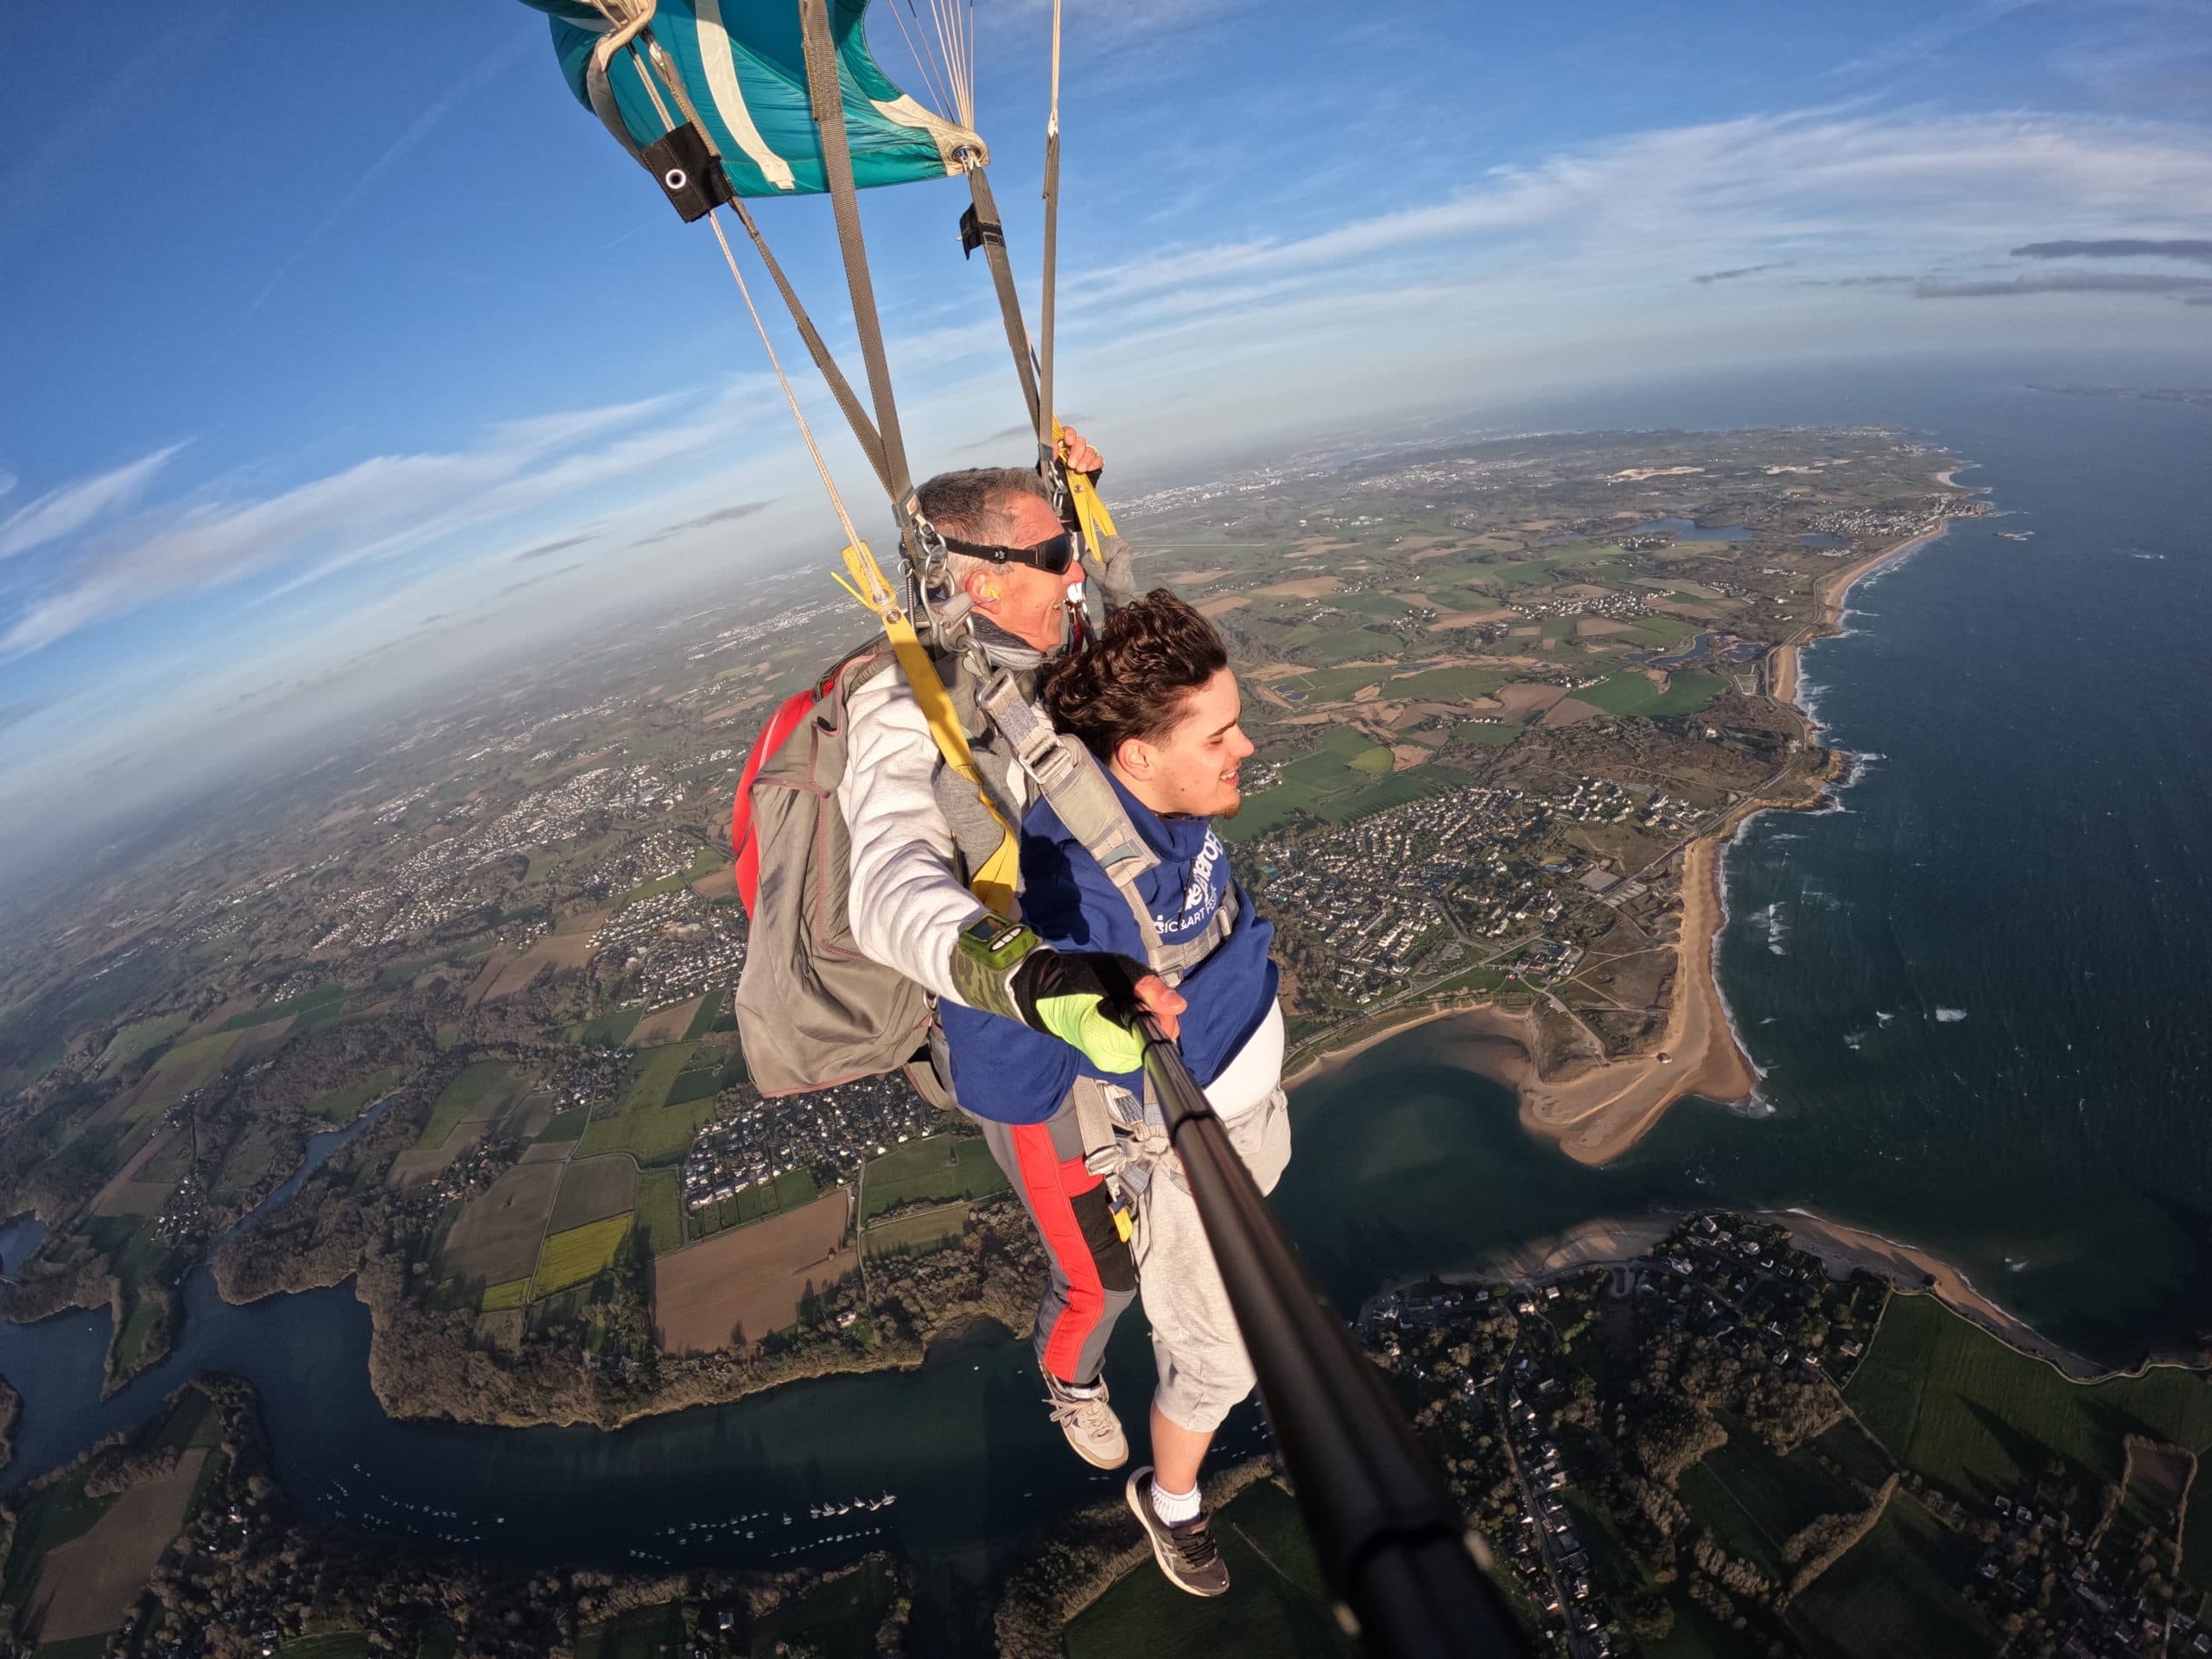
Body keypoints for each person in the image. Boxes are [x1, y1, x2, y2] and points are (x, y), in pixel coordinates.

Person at [836, 440, 1187, 1471]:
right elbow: (888, 891)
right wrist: (1029, 978)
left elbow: (1118, 610)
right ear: (979, 580)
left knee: (1175, 1203)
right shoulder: (906, 702)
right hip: (1025, 1046)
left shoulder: (1042, 647)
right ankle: (1069, 1380)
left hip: (1115, 996)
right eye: (1051, 558)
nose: (1072, 574)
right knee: (1102, 1277)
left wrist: (1083, 499)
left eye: (1066, 551)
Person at [982, 589, 1290, 1598]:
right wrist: (1057, 996)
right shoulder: (1078, 882)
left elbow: (1103, 654)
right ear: (1137, 758)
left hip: (1243, 1114)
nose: (1245, 747)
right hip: (1185, 1141)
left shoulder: (1152, 791)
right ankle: (1172, 1503)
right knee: (1217, 1363)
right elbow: (1007, 1062)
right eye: (1220, 734)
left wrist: (1084, 527)